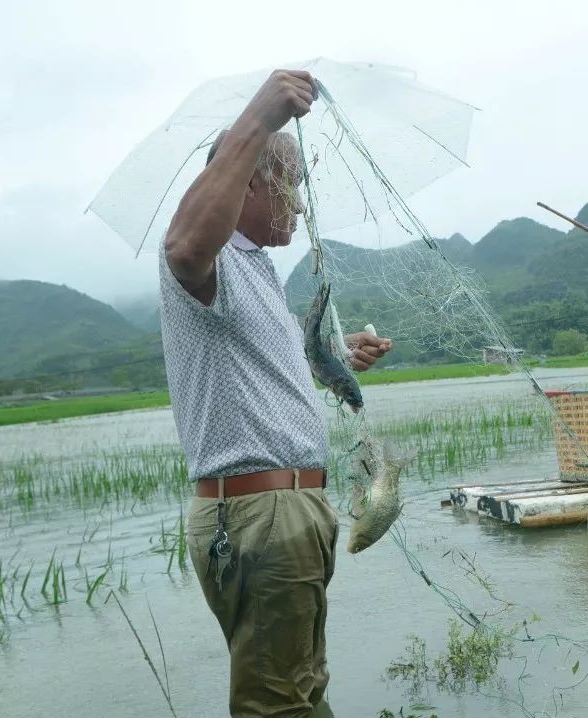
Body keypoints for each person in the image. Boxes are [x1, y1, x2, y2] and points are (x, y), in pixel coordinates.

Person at [159, 69, 391, 717]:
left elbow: (272, 372)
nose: (301, 200)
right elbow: (182, 247)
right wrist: (260, 119)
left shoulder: (256, 270)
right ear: (250, 182)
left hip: (288, 512)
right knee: (278, 703)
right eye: (292, 180)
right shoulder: (205, 259)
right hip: (260, 514)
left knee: (301, 686)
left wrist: (341, 361)